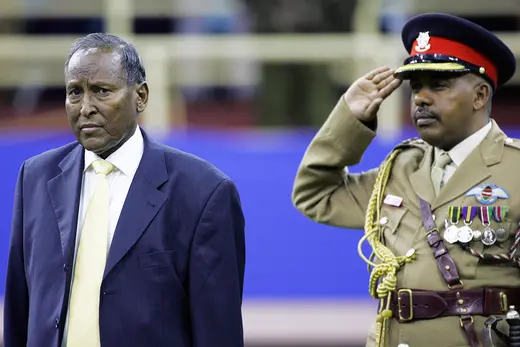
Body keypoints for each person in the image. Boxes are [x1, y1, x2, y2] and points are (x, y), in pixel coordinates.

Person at [292, 13, 520, 347]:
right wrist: (348, 119)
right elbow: (315, 194)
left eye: (438, 85)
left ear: (480, 96)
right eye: (416, 87)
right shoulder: (399, 168)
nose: (421, 98)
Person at [4, 33, 246, 347]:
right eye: (74, 92)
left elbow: (218, 332)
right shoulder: (34, 178)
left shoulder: (204, 192)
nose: (85, 107)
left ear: (141, 96)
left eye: (102, 91)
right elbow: (19, 312)